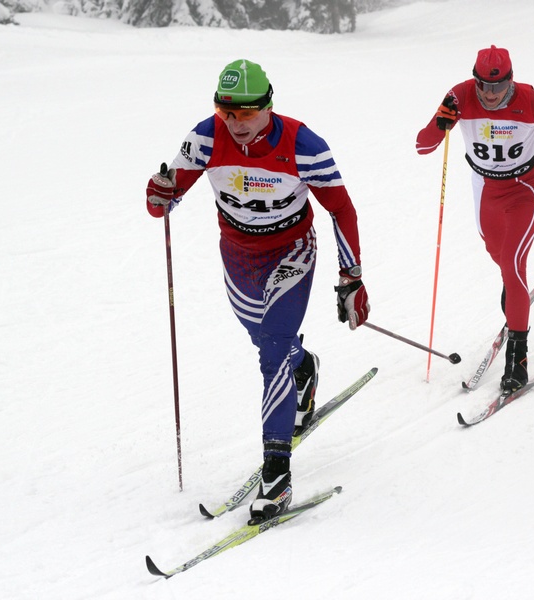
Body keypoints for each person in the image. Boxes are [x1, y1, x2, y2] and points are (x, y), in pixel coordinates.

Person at [145, 59, 370, 523]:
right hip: (239, 256)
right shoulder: (204, 137)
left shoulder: (304, 145)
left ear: (269, 106)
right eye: (226, 112)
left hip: (293, 252)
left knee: (271, 350)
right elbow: (167, 198)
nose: (235, 123)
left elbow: (341, 210)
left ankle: (277, 475)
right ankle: (304, 369)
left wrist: (352, 276)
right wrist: (159, 194)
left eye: (246, 113)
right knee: (267, 341)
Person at [416, 45, 534, 394]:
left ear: (511, 80)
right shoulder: (460, 95)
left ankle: (518, 357)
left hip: (525, 188)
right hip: (484, 190)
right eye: (483, 85)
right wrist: (441, 123)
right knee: (498, 256)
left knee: (513, 263)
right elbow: (422, 146)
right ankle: (514, 295)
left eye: (498, 86)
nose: (490, 94)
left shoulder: (531, 99)